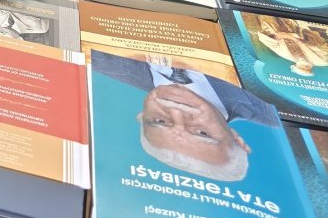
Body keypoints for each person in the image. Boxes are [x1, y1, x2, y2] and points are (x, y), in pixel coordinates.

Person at [93, 52, 274, 182]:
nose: (177, 111)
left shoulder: (97, 59)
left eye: (160, 121)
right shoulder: (270, 103)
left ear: (142, 115)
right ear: (236, 138)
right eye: (202, 132)